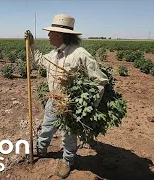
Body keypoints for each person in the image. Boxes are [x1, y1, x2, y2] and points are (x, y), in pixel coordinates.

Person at [25, 14, 109, 178]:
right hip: (53, 101)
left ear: (60, 34)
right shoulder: (54, 54)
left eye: (51, 32)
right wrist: (32, 44)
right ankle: (40, 150)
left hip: (70, 106)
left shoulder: (80, 54)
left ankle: (67, 162)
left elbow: (100, 80)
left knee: (68, 136)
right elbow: (40, 61)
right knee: (46, 128)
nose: (48, 35)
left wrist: (88, 107)